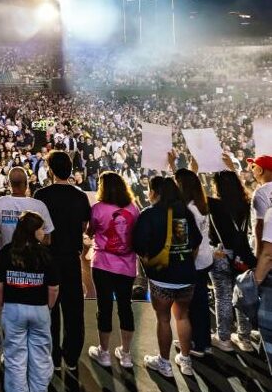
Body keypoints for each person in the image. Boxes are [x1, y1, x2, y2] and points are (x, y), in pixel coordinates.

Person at [0, 212, 58, 392]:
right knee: (40, 359)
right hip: (39, 310)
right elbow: (53, 288)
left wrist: (2, 306)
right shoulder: (45, 254)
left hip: (13, 310)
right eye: (41, 228)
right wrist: (47, 308)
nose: (44, 232)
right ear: (33, 231)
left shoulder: (6, 252)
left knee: (15, 359)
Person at [134, 176, 202, 378]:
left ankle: (164, 364)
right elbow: (196, 242)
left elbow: (139, 245)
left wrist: (149, 264)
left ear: (155, 192)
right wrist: (186, 262)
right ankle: (186, 360)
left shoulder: (149, 214)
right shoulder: (185, 212)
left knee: (163, 319)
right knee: (183, 316)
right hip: (186, 275)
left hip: (161, 277)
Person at [34, 150, 91, 373]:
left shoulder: (41, 195)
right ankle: (72, 357)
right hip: (71, 259)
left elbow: (37, 228)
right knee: (73, 310)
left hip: (48, 259)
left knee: (49, 309)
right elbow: (84, 226)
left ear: (50, 170)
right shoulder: (80, 196)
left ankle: (53, 358)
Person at [85, 172, 140, 368]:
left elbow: (90, 231)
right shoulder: (133, 208)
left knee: (104, 307)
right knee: (126, 307)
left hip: (102, 265)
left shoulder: (98, 208)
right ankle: (126, 354)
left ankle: (104, 352)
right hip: (127, 266)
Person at [208, 170, 256, 352]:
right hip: (242, 256)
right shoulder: (245, 203)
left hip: (221, 255)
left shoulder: (214, 204)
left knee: (223, 297)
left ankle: (224, 338)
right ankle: (245, 338)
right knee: (241, 294)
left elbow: (190, 192)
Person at [175, 167, 215, 356]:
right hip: (206, 259)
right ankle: (203, 341)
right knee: (201, 302)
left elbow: (190, 242)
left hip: (195, 261)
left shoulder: (188, 210)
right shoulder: (201, 205)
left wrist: (184, 264)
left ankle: (196, 343)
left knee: (193, 304)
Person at [0, 167, 54, 257]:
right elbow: (47, 239)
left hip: (4, 257)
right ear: (27, 184)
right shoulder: (39, 206)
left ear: (9, 183)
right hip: (31, 259)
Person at [248, 155, 272, 258]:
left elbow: (260, 225)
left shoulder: (261, 192)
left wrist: (258, 254)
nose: (252, 170)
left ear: (260, 170)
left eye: (253, 166)